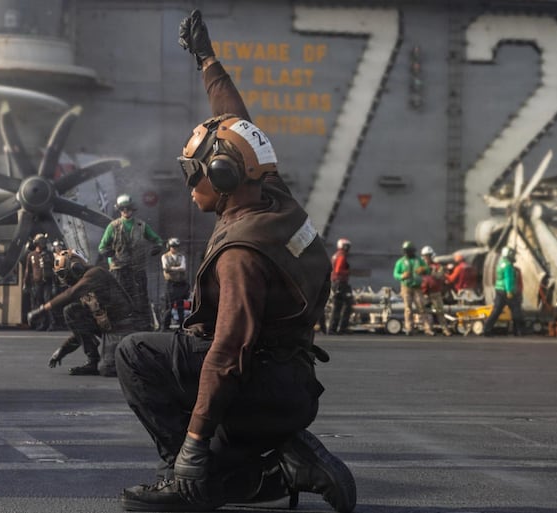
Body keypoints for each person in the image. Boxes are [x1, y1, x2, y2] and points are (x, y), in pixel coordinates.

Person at [116, 10, 356, 513]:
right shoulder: (273, 195)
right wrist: (208, 61)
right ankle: (288, 460)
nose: (190, 179)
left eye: (194, 170)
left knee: (136, 353)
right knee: (227, 455)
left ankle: (184, 481)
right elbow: (240, 127)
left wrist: (191, 450)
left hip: (263, 386)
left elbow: (227, 355)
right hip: (295, 381)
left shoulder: (241, 253)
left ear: (222, 176)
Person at [28, 249, 139, 376]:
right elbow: (82, 329)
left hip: (123, 328)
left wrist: (42, 309)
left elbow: (71, 293)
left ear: (76, 267)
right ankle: (93, 361)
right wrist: (63, 350)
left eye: (64, 273)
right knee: (71, 311)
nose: (64, 278)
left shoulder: (95, 273)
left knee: (108, 368)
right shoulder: (84, 286)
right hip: (109, 327)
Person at [98, 194, 164, 330]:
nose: (125, 211)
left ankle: (144, 325)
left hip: (137, 268)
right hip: (119, 268)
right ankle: (119, 325)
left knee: (141, 297)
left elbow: (157, 240)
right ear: (119, 210)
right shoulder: (113, 226)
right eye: (123, 209)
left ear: (132, 209)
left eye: (128, 208)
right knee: (119, 297)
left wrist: (157, 247)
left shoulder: (141, 226)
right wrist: (108, 253)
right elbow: (102, 247)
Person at [393, 240, 433, 336]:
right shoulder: (400, 262)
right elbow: (395, 274)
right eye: (407, 250)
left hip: (417, 287)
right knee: (408, 309)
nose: (408, 252)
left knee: (421, 307)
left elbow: (427, 270)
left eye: (409, 250)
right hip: (406, 287)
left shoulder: (419, 260)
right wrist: (402, 276)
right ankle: (409, 328)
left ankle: (427, 328)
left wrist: (424, 269)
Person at [482, 246, 524, 336]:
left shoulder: (501, 263)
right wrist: (509, 291)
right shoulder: (508, 266)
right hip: (507, 291)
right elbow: (508, 279)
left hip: (499, 290)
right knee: (516, 311)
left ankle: (486, 329)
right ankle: (518, 330)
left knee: (496, 311)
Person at [24, 233, 55, 331]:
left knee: (48, 301)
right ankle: (42, 323)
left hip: (48, 282)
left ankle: (52, 323)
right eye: (41, 241)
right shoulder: (31, 255)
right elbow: (28, 270)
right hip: (37, 282)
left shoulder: (49, 254)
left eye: (44, 241)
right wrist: (26, 283)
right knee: (39, 303)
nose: (43, 243)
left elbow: (55, 267)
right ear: (36, 242)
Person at [420, 246, 452, 336]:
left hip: (435, 292)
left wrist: (432, 272)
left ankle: (445, 329)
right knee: (425, 312)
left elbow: (441, 276)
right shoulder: (420, 267)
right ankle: (428, 329)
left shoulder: (437, 267)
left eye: (428, 256)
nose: (426, 258)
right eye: (425, 256)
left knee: (440, 311)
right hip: (424, 293)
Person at [161, 237, 190, 330]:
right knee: (169, 306)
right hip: (171, 284)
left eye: (176, 247)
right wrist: (177, 268)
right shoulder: (165, 256)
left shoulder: (181, 256)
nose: (174, 248)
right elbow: (166, 268)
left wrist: (172, 268)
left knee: (180, 306)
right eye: (173, 246)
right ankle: (165, 326)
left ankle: (182, 326)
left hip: (180, 284)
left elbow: (183, 268)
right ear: (169, 247)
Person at [328, 238, 353, 334]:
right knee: (347, 305)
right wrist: (348, 272)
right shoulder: (341, 256)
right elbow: (338, 270)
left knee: (337, 306)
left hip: (335, 283)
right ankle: (342, 327)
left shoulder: (336, 255)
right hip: (341, 284)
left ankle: (332, 328)